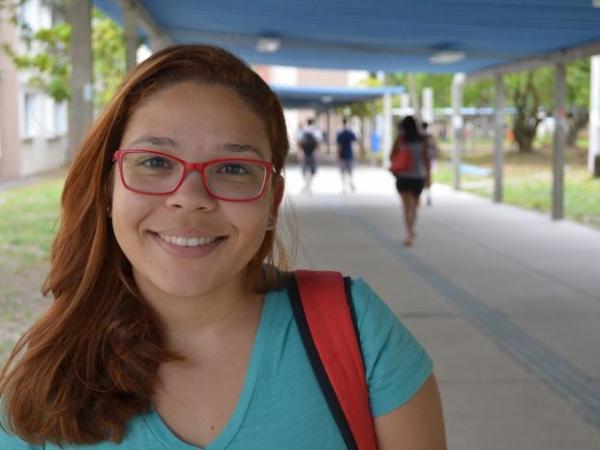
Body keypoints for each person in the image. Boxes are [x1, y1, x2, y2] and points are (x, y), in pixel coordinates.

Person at [0, 45, 446, 449]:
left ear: (271, 200)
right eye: (154, 162)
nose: (191, 196)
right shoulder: (41, 386)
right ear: (107, 188)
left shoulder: (357, 330)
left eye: (233, 168)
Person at [390, 116, 431, 247]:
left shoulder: (400, 140)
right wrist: (428, 177)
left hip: (403, 177)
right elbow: (426, 160)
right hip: (418, 177)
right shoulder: (421, 140)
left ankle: (408, 233)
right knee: (413, 206)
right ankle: (411, 230)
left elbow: (391, 156)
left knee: (406, 206)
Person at [296, 118, 323, 193]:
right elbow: (318, 143)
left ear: (307, 122)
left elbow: (299, 143)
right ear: (313, 123)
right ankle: (309, 186)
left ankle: (306, 185)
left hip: (304, 153)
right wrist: (318, 153)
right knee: (312, 170)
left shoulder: (302, 130)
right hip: (313, 153)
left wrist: (299, 152)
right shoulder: (316, 131)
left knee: (304, 170)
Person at [336, 118, 357, 193]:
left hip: (342, 154)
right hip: (349, 154)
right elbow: (354, 143)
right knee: (350, 171)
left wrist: (338, 155)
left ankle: (344, 187)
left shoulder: (340, 133)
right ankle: (350, 182)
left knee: (343, 172)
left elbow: (339, 145)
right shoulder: (351, 133)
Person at [421, 121, 438, 206]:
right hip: (426, 161)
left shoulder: (419, 137)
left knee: (421, 179)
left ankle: (421, 198)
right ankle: (428, 197)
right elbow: (434, 149)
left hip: (420, 162)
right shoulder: (429, 137)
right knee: (427, 179)